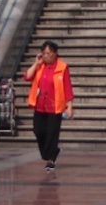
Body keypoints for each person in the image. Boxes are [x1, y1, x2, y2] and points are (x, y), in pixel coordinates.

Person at [24, 41, 74, 171]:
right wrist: (36, 63)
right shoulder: (40, 66)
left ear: (55, 53)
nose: (46, 56)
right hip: (40, 104)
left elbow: (67, 87)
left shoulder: (62, 67)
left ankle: (51, 160)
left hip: (55, 105)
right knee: (38, 130)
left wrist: (69, 106)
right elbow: (27, 76)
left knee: (52, 133)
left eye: (49, 53)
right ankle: (52, 152)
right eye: (44, 53)